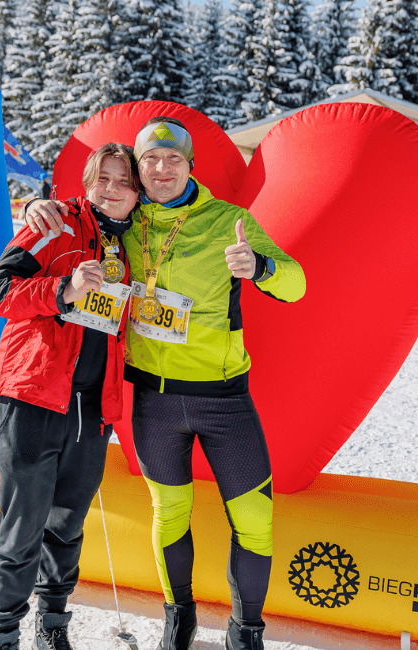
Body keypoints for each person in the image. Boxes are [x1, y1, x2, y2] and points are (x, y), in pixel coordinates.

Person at [24, 117, 306, 650]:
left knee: (255, 517)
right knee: (169, 512)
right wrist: (41, 208)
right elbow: (83, 213)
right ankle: (179, 620)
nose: (161, 169)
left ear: (190, 166)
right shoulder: (128, 221)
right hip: (153, 399)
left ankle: (246, 634)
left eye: (173, 159)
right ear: (139, 169)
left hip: (224, 397)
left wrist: (260, 265)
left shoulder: (230, 221)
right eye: (150, 160)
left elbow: (296, 284)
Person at [0, 143, 140, 650]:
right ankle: (2, 634)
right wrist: (60, 290)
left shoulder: (132, 246)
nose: (111, 190)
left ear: (137, 195)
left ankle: (52, 625)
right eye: (103, 179)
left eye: (123, 182)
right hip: (33, 399)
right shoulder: (55, 223)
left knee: (68, 526)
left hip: (92, 410)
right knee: (22, 526)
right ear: (88, 183)